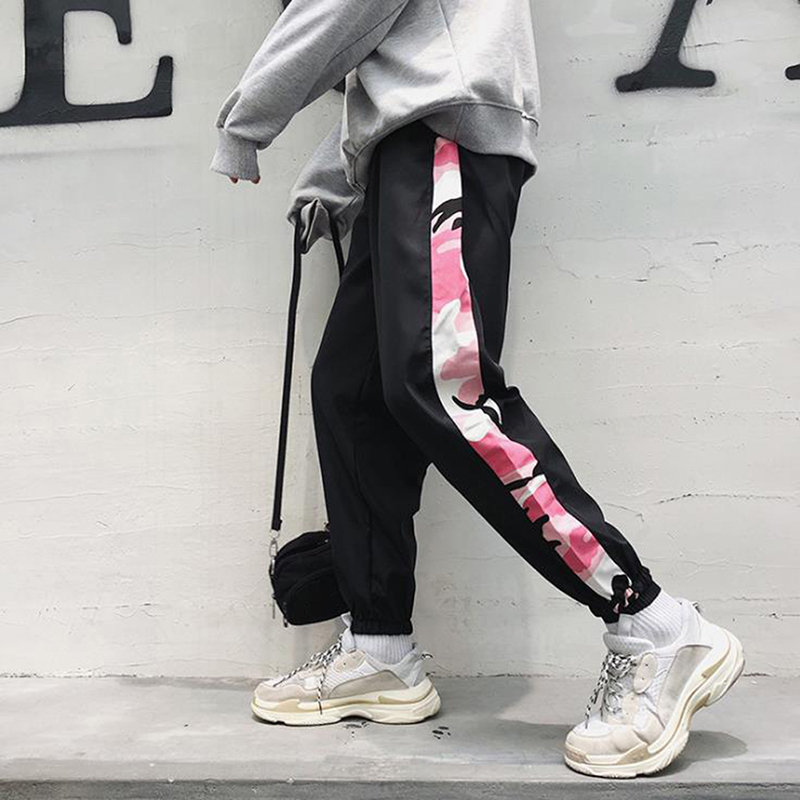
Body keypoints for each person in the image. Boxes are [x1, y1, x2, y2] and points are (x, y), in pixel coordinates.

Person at [209, 0, 744, 778]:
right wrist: (336, 175)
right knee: (351, 394)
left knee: (444, 388)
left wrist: (247, 118)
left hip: (445, 140)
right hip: (412, 148)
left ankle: (657, 625)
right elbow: (407, 49)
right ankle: (381, 650)